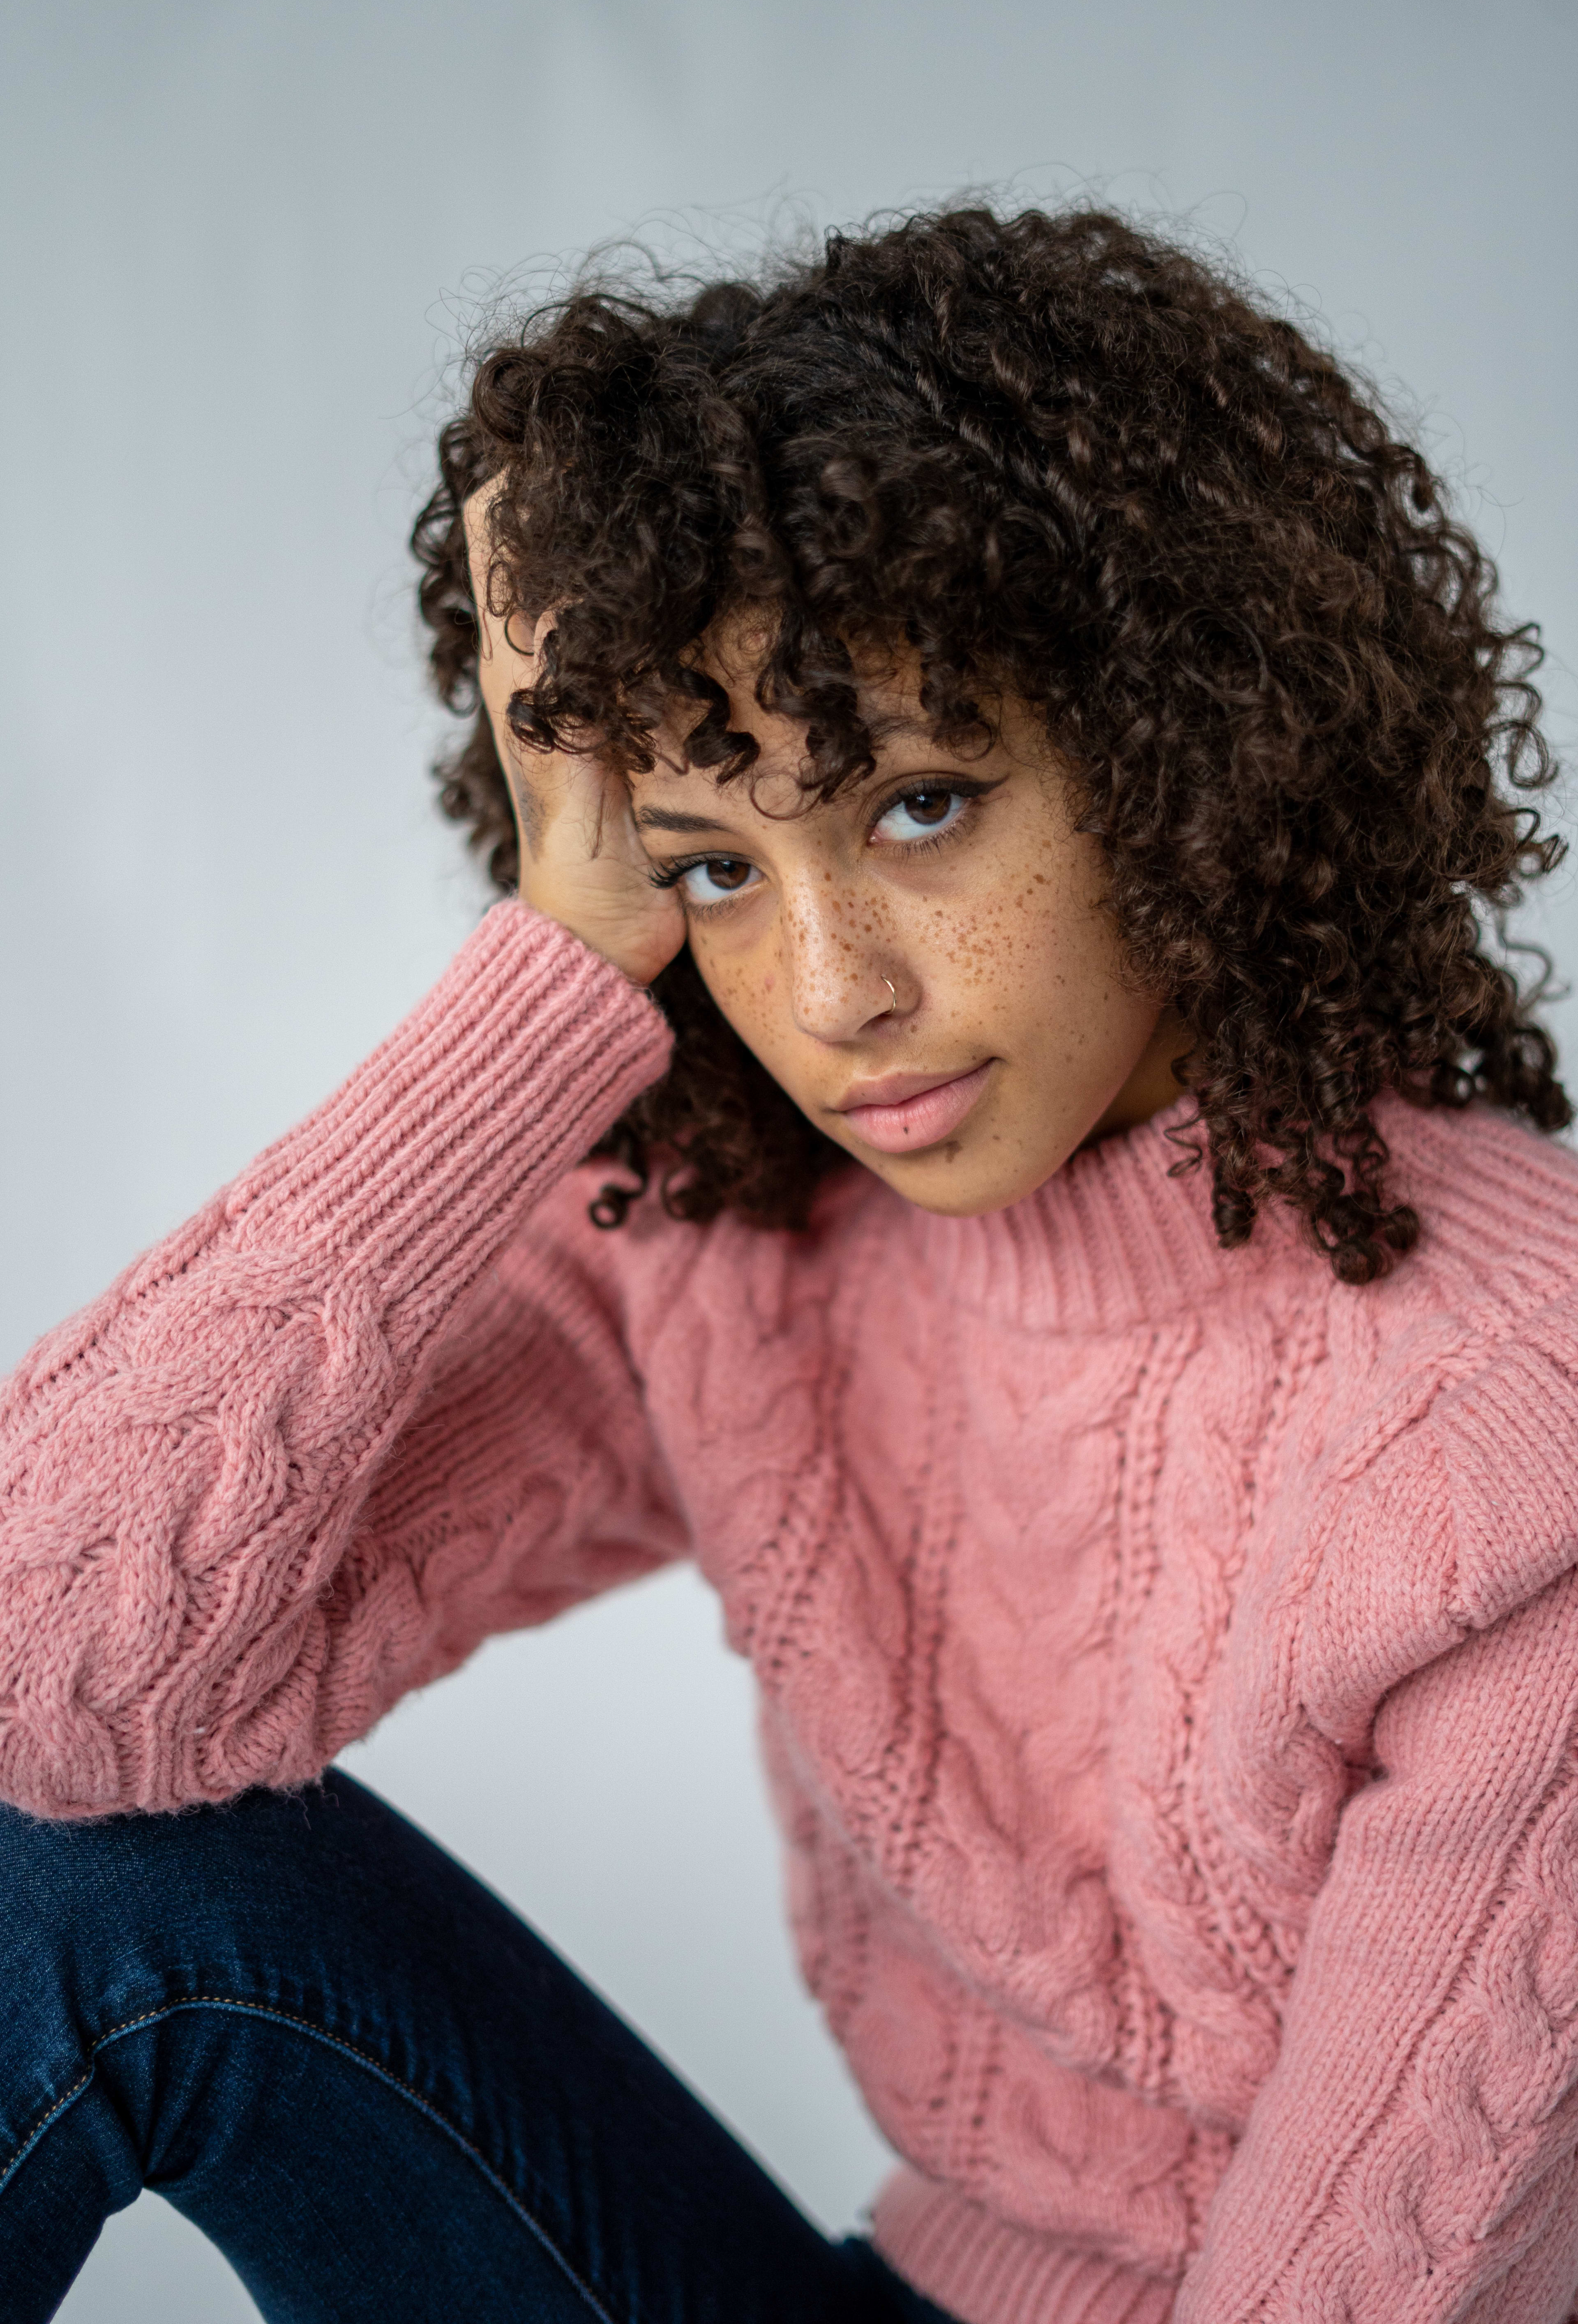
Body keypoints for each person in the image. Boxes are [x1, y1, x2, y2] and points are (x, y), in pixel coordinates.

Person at [1, 203, 1575, 2324]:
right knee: (84, 1894)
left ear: (1185, 753)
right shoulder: (733, 1250)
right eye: (718, 862)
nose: (832, 991)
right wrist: (560, 961)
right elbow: (54, 1693)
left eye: (920, 806)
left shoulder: (1512, 1430)